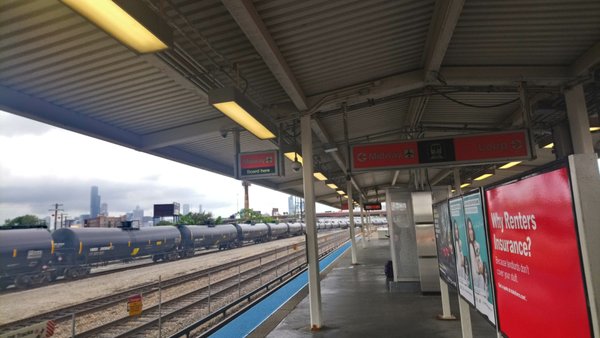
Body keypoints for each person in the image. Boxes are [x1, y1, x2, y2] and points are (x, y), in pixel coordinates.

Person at [467, 218, 485, 291]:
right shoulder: (468, 246)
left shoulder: (477, 244)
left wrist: (481, 268)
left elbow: (479, 259)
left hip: (480, 278)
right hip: (475, 280)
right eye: (468, 230)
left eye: (471, 229)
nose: (470, 232)